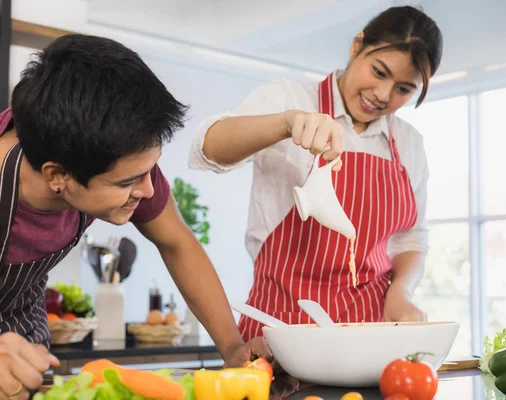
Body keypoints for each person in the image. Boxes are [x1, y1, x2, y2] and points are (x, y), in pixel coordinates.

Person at [0, 34, 270, 399]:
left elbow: (177, 242)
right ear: (57, 176)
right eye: (129, 181)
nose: (149, 191)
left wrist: (231, 348)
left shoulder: (105, 152)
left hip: (26, 350)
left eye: (149, 171)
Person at [188, 6, 443, 341]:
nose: (383, 95)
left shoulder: (409, 143)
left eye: (404, 89)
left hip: (369, 337)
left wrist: (401, 292)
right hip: (280, 335)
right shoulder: (288, 98)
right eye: (379, 72)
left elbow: (411, 238)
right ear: (357, 47)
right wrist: (285, 123)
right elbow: (206, 148)